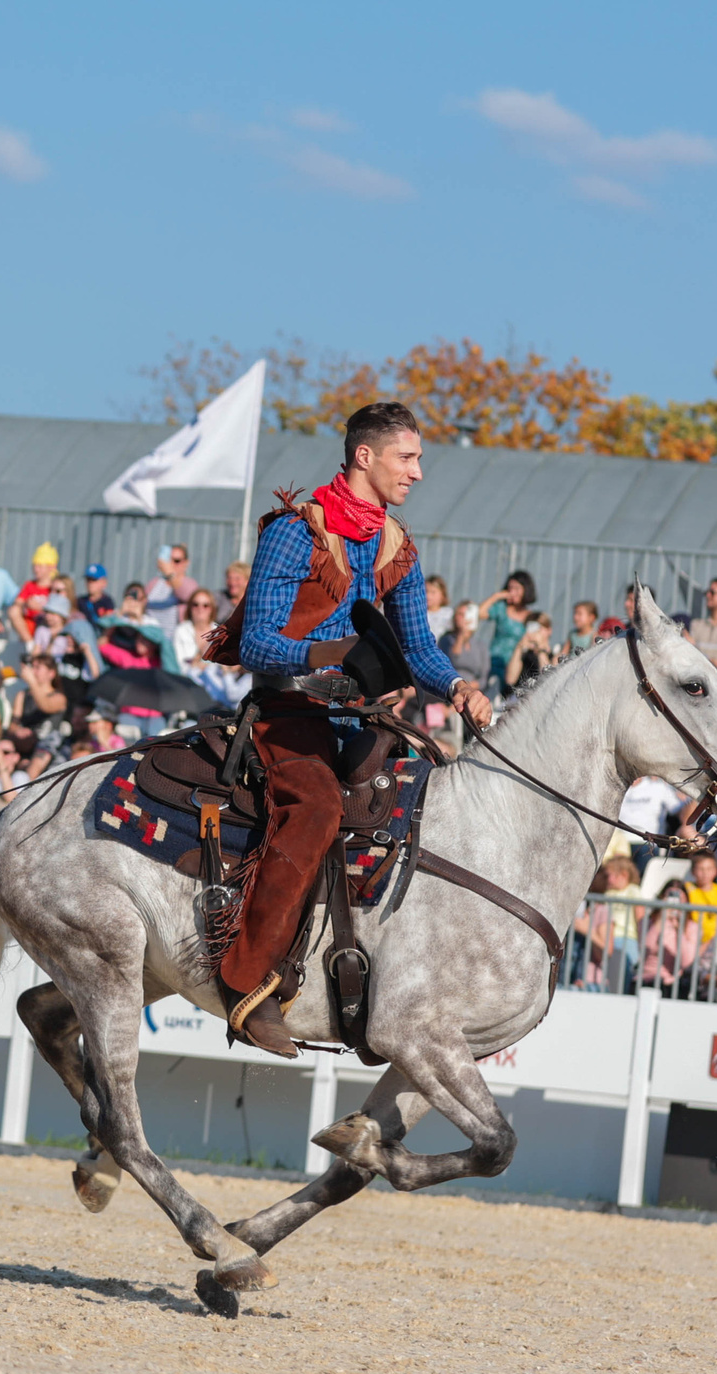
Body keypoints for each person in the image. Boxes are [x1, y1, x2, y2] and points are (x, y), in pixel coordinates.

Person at [201, 401, 491, 1055]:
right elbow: (260, 643)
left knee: (426, 801)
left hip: (356, 716)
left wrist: (458, 685)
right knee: (317, 808)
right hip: (287, 713)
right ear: (366, 456)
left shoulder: (398, 546)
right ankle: (249, 986)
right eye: (407, 457)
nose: (418, 471)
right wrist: (328, 660)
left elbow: (418, 649)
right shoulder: (294, 531)